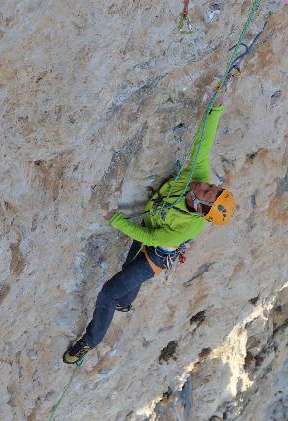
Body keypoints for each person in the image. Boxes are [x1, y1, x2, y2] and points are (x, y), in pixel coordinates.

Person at [63, 83, 236, 365]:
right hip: (152, 228)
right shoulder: (198, 176)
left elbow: (151, 239)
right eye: (212, 187)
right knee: (126, 277)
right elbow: (204, 142)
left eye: (207, 192)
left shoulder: (189, 226)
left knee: (108, 292)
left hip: (157, 254)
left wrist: (116, 220)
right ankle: (126, 302)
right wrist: (217, 106)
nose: (204, 185)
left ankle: (88, 342)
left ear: (201, 208)